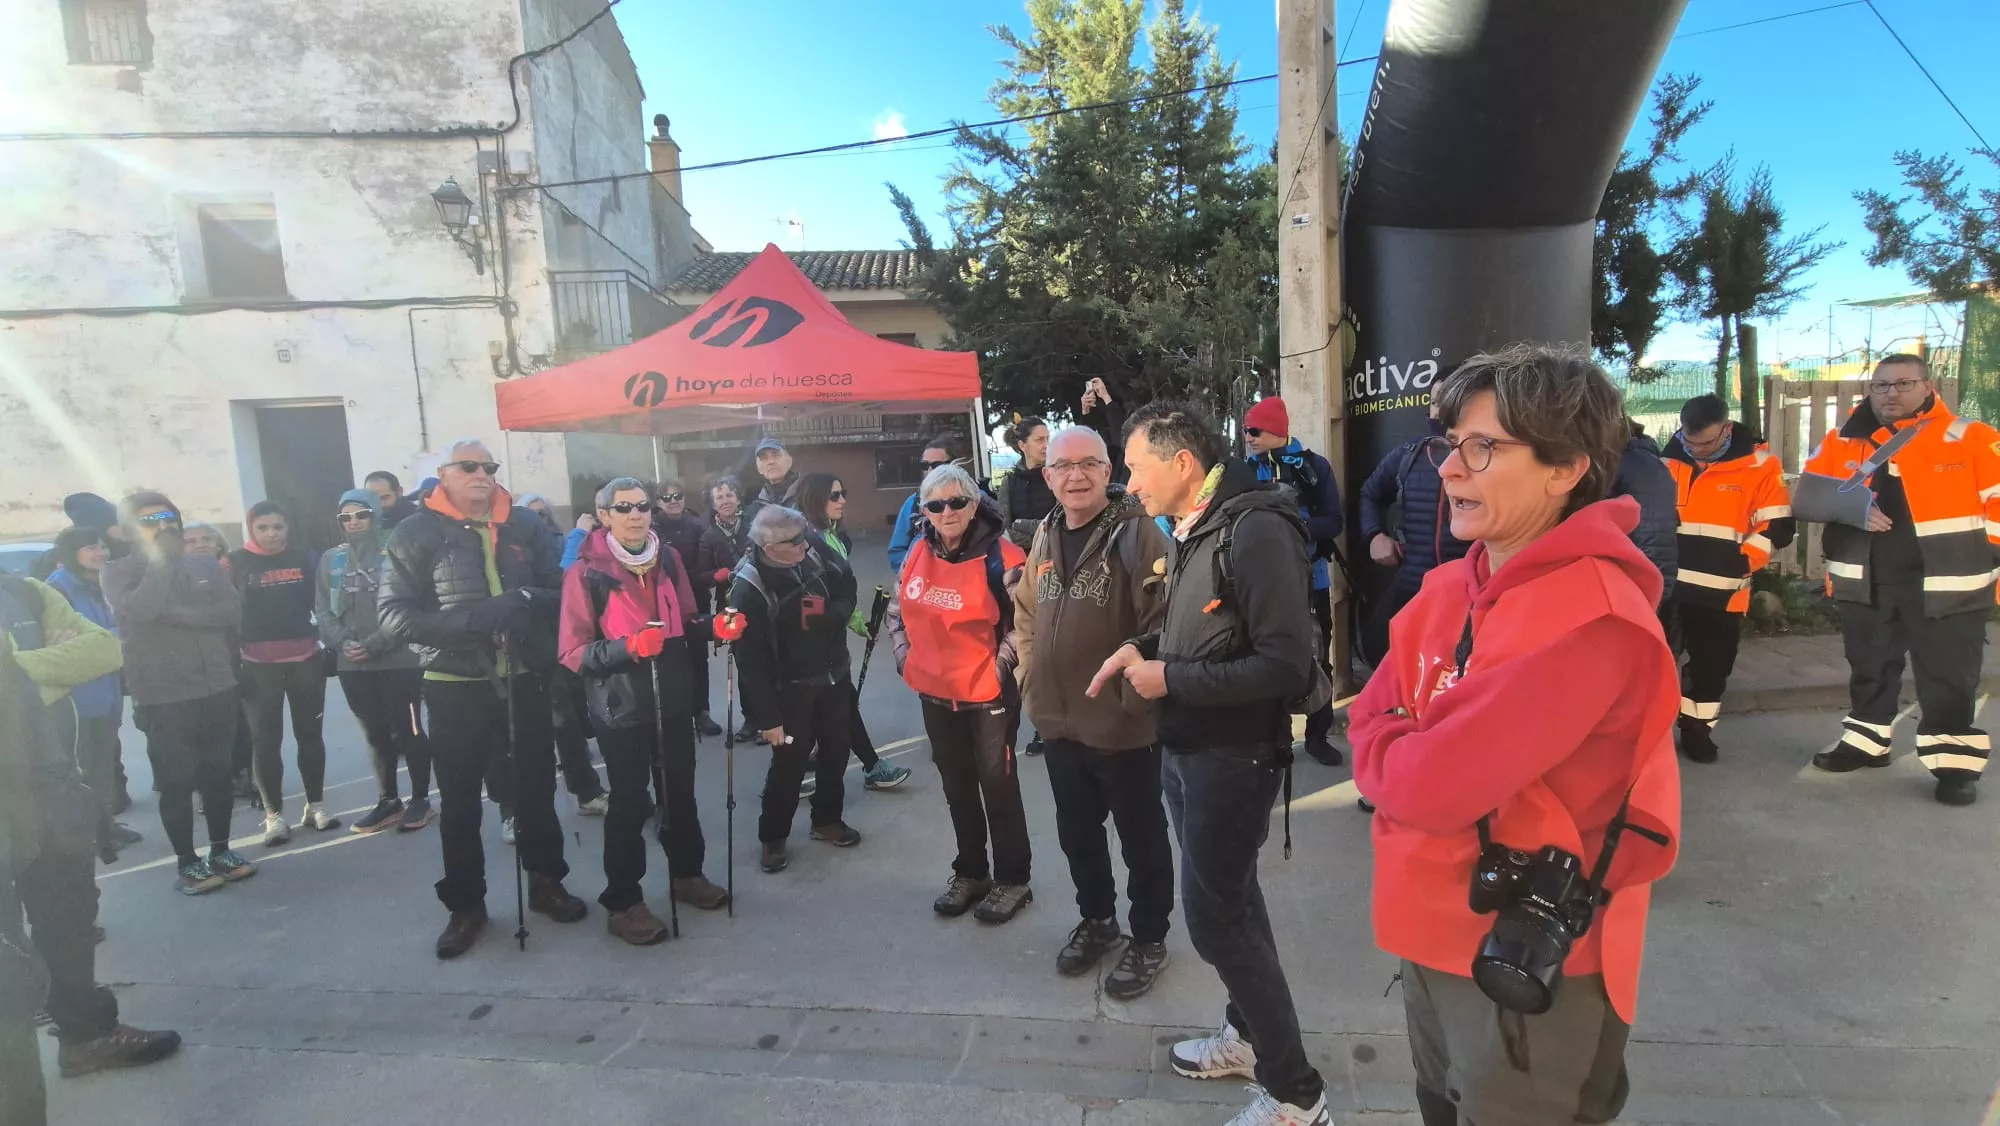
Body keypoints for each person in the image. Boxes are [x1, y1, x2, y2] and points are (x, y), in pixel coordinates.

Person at [1347, 343, 1682, 1126]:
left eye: (1482, 448)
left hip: (1521, 957)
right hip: (1431, 932)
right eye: (1448, 446)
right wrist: (1397, 741)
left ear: (1566, 468)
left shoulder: (1590, 617)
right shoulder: (1449, 585)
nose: (1447, 471)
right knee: (1441, 1103)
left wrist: (1395, 746)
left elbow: (1425, 786)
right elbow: (1371, 707)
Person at [1086, 401, 1327, 1126]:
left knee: (1218, 920)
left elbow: (1287, 665)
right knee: (1234, 908)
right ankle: (1250, 1041)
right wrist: (1148, 651)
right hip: (1190, 749)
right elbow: (1204, 633)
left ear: (1183, 464)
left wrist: (1173, 680)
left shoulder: (1256, 528)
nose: (1128, 483)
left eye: (1134, 466)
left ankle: (1297, 1096)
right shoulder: (1196, 524)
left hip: (1235, 757)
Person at [378, 440, 589, 960]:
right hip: (455, 686)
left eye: (489, 467)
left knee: (537, 790)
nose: (482, 474)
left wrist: (520, 602)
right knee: (461, 801)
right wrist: (475, 621)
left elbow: (563, 588)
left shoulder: (523, 524)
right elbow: (394, 616)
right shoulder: (414, 532)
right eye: (468, 466)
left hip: (526, 679)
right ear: (443, 475)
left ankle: (546, 883)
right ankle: (466, 905)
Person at [0, 572, 182, 1094]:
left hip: (50, 783)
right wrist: (48, 667)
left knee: (70, 922)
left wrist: (16, 669)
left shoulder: (27, 591)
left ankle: (87, 1036)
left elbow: (103, 651)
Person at [1011, 427, 1174, 999]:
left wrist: (1130, 703)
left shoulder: (1139, 534)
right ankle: (1099, 922)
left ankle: (1149, 936)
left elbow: (1162, 628)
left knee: (1141, 839)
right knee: (1078, 835)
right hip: (1058, 724)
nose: (1075, 476)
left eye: (1089, 464)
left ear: (1109, 472)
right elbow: (1027, 611)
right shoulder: (1048, 533)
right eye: (1062, 466)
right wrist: (1029, 676)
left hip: (1122, 729)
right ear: (1046, 474)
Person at [1794, 354, 2000, 805]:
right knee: (1869, 668)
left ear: (1929, 387)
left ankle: (1954, 765)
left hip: (1948, 583)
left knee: (1948, 677)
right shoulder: (1842, 439)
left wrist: (1987, 558)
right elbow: (1807, 497)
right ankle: (1867, 744)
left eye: (1904, 383)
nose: (1891, 393)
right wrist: (1855, 511)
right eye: (1882, 385)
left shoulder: (1971, 438)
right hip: (1866, 578)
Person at [560, 478, 730, 942]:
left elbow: (689, 622)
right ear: (605, 515)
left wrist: (716, 626)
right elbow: (573, 652)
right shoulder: (585, 572)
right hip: (621, 707)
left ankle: (686, 874)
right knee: (630, 804)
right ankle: (623, 901)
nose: (636, 515)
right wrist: (627, 648)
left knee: (680, 793)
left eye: (642, 506)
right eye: (624, 508)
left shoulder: (668, 558)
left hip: (673, 697)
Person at [887, 465, 1033, 923]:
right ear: (924, 511)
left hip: (987, 692)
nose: (946, 512)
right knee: (956, 785)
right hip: (934, 691)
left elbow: (1026, 625)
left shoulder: (1004, 558)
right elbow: (896, 612)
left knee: (997, 785)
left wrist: (999, 668)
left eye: (956, 502)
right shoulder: (916, 551)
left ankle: (1013, 879)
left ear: (973, 504)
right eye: (935, 505)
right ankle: (971, 871)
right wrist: (906, 661)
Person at [101, 492, 258, 894]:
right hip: (163, 695)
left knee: (218, 774)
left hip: (217, 686)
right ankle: (187, 861)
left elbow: (230, 613)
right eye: (149, 518)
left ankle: (221, 849)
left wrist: (178, 618)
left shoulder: (205, 564)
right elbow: (142, 610)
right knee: (176, 780)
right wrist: (161, 564)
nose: (162, 523)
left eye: (167, 515)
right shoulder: (118, 572)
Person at [724, 505, 866, 873]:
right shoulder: (748, 589)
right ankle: (772, 838)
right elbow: (749, 662)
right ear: (768, 547)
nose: (806, 546)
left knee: (837, 750)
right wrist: (767, 719)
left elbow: (846, 583)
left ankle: (826, 820)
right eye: (794, 542)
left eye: (804, 536)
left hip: (834, 674)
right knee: (789, 762)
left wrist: (834, 617)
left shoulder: (812, 545)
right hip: (788, 689)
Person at [1660, 394, 1794, 764]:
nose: (1697, 450)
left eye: (1705, 443)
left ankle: (1696, 731)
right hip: (1667, 588)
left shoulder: (1761, 466)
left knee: (1711, 667)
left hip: (1722, 591)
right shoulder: (1665, 462)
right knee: (1653, 664)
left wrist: (1741, 564)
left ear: (1727, 430)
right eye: (1690, 441)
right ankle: (1649, 738)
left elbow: (1777, 526)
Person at [316, 489, 435, 834]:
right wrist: (343, 644)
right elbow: (322, 609)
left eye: (361, 515)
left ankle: (420, 799)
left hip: (399, 658)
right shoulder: (330, 560)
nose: (353, 522)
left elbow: (411, 604)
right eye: (346, 517)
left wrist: (376, 643)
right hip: (353, 663)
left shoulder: (399, 551)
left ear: (375, 516)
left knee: (409, 729)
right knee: (374, 734)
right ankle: (388, 801)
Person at [796, 471, 914, 795]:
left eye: (843, 492)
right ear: (816, 499)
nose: (843, 500)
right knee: (831, 706)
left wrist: (855, 619)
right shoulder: (805, 541)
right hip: (813, 641)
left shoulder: (837, 538)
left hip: (832, 636)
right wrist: (843, 618)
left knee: (839, 705)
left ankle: (864, 767)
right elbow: (814, 595)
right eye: (835, 495)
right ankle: (864, 767)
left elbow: (840, 590)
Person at [1243, 396, 1346, 768]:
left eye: (1254, 431)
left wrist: (1289, 529)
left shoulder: (1314, 467)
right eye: (1245, 431)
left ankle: (1318, 736)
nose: (1248, 437)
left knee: (1318, 656)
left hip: (1311, 578)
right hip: (1262, 584)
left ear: (1277, 432)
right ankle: (1277, 739)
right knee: (1264, 657)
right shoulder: (1241, 470)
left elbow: (1333, 521)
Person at [228, 500, 338, 844]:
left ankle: (315, 806)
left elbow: (323, 602)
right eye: (263, 527)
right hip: (257, 665)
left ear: (288, 528)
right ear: (251, 528)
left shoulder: (306, 558)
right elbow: (226, 616)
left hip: (305, 658)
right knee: (266, 742)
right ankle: (274, 816)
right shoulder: (234, 563)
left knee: (310, 736)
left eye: (278, 527)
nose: (271, 534)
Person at [43, 528, 143, 855]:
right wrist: (118, 634)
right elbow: (80, 642)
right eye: (90, 547)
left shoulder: (100, 584)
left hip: (106, 689)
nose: (100, 552)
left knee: (101, 764)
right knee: (83, 769)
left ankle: (105, 827)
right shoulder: (57, 590)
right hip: (79, 697)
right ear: (72, 552)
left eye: (102, 546)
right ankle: (89, 836)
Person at [1357, 399, 1469, 666]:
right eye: (1435, 401)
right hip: (1412, 586)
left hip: (1468, 593)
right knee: (1383, 656)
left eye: (1451, 399)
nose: (1440, 409)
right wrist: (1374, 535)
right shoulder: (1409, 454)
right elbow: (1369, 493)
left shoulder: (1491, 459)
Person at [521, 493, 610, 820]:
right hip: (532, 650)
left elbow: (575, 576)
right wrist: (577, 535)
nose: (538, 522)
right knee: (553, 728)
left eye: (543, 514)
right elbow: (558, 581)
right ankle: (520, 810)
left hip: (570, 644)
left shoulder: (561, 542)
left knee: (577, 721)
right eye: (530, 516)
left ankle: (591, 789)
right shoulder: (518, 554)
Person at [179, 521, 258, 804]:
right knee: (202, 727)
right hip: (194, 661)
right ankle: (208, 787)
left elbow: (239, 611)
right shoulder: (173, 577)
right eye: (191, 541)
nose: (200, 544)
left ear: (218, 544)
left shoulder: (233, 570)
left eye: (206, 539)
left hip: (238, 655)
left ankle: (249, 779)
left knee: (243, 723)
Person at [653, 479, 725, 738]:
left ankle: (701, 712)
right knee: (665, 660)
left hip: (695, 601)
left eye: (678, 496)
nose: (673, 501)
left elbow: (705, 567)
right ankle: (672, 716)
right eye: (667, 497)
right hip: (659, 605)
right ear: (658, 501)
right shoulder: (650, 527)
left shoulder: (698, 526)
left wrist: (693, 578)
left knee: (698, 658)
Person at [697, 476, 762, 743]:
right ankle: (751, 720)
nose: (725, 500)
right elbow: (701, 574)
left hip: (763, 602)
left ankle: (773, 719)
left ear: (738, 498)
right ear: (713, 504)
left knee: (770, 664)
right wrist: (717, 575)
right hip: (732, 608)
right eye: (719, 497)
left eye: (729, 495)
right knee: (745, 666)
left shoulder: (754, 526)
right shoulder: (709, 536)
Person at [1611, 419, 1681, 615]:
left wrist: (1644, 597)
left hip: (1629, 593)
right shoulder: (1623, 461)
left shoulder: (1639, 466)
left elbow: (1653, 539)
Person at [888, 434, 970, 573]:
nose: (930, 471)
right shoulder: (913, 503)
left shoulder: (976, 497)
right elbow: (897, 552)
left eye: (937, 465)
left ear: (954, 464)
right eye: (924, 465)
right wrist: (922, 573)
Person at [994, 416, 1056, 549]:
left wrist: (1022, 524)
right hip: (1021, 562)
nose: (1046, 445)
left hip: (1055, 557)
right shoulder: (1009, 483)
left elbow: (1059, 525)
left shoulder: (1057, 477)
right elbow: (1003, 531)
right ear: (1022, 445)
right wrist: (1036, 538)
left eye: (1047, 439)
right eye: (1040, 440)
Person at [742, 436, 801, 508]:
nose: (771, 461)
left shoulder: (806, 493)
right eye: (764, 458)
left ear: (789, 461)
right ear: (759, 468)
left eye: (776, 455)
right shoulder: (755, 504)